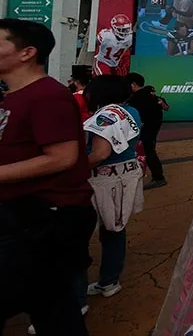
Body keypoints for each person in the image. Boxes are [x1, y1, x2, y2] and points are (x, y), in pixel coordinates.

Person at [0, 19, 96, 336]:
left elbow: (63, 157)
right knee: (53, 306)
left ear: (27, 52)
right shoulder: (12, 97)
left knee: (49, 301)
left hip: (45, 215)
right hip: (22, 215)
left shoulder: (46, 95)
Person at [82, 75, 144, 298]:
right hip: (126, 176)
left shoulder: (106, 115)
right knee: (115, 230)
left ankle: (76, 299)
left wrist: (69, 164)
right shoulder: (131, 111)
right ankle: (109, 281)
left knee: (80, 236)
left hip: (103, 182)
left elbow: (100, 153)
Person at [126, 73, 167, 189]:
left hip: (144, 131)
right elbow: (160, 113)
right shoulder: (152, 97)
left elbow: (140, 117)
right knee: (149, 151)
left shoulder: (136, 98)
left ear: (133, 84)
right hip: (152, 129)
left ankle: (158, 177)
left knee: (148, 152)